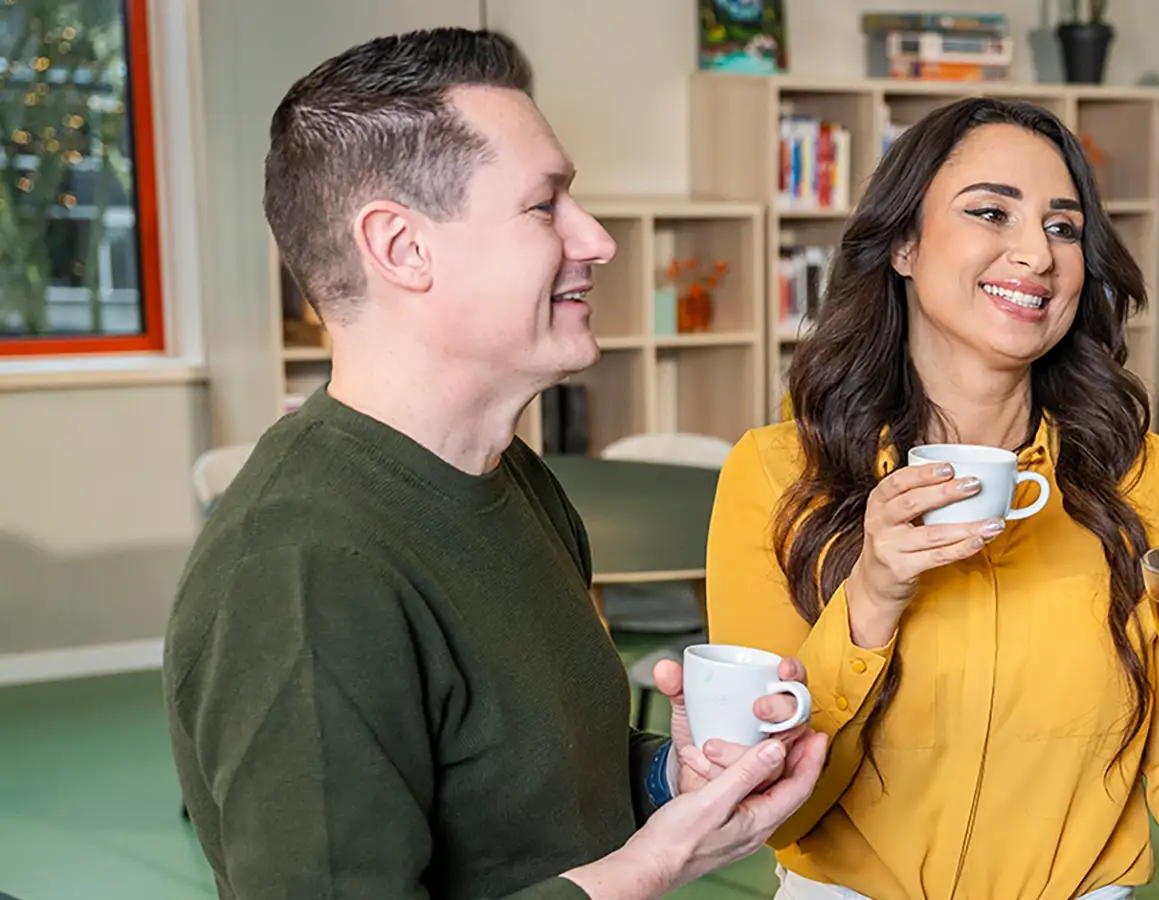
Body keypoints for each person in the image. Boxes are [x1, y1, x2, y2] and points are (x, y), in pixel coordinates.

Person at [163, 27, 826, 900]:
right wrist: (648, 868)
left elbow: (528, 791)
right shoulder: (303, 571)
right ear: (402, 248)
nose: (597, 240)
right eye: (544, 206)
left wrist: (678, 781)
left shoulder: (514, 481)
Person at [694, 97, 1159, 900]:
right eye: (991, 213)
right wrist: (871, 599)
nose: (1038, 255)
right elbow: (774, 807)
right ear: (904, 244)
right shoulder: (778, 477)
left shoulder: (1153, 480)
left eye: (1062, 227)